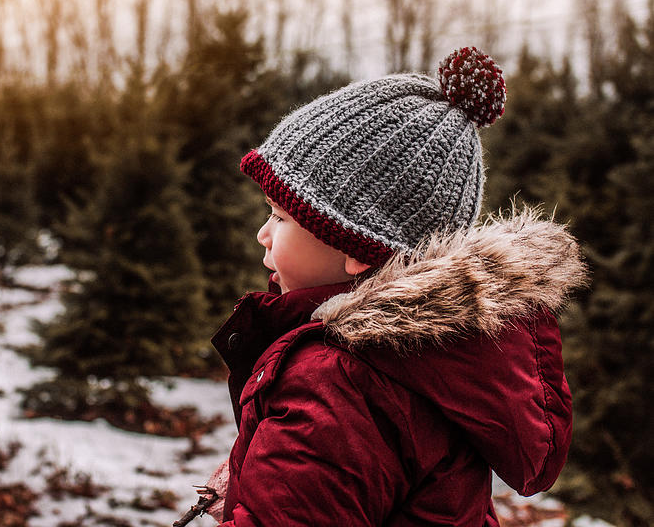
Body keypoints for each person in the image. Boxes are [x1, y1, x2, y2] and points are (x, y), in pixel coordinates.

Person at [205, 47, 588, 526]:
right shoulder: (424, 360)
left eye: (280, 216)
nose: (262, 233)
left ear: (357, 247)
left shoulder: (338, 384)